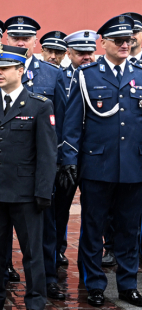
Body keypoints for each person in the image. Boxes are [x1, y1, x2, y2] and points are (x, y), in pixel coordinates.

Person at [0, 45, 57, 310]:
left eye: (5, 69)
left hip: (25, 193)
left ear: (21, 71)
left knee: (32, 251)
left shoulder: (39, 105)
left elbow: (47, 153)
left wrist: (44, 191)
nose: (0, 74)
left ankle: (34, 303)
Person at [60, 15, 142, 308]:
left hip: (134, 165)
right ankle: (94, 284)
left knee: (129, 229)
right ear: (103, 43)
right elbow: (71, 124)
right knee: (93, 227)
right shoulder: (86, 75)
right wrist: (69, 159)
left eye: (128, 39)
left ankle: (128, 284)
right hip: (97, 165)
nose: (124, 44)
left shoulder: (141, 73)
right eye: (118, 40)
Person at [3, 16, 67, 287]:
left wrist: (58, 162)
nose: (20, 41)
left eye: (26, 38)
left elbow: (62, 123)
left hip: (40, 165)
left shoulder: (52, 73)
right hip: (5, 163)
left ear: (35, 42)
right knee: (1, 226)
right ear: (7, 40)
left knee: (45, 226)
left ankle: (48, 279)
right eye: (15, 37)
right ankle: (3, 273)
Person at [52, 29, 96, 268]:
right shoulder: (60, 76)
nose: (87, 57)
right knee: (61, 206)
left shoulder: (96, 76)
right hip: (65, 153)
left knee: (93, 210)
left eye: (90, 53)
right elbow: (60, 118)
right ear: (68, 53)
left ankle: (93, 255)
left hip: (92, 154)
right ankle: (59, 247)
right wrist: (63, 155)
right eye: (81, 53)